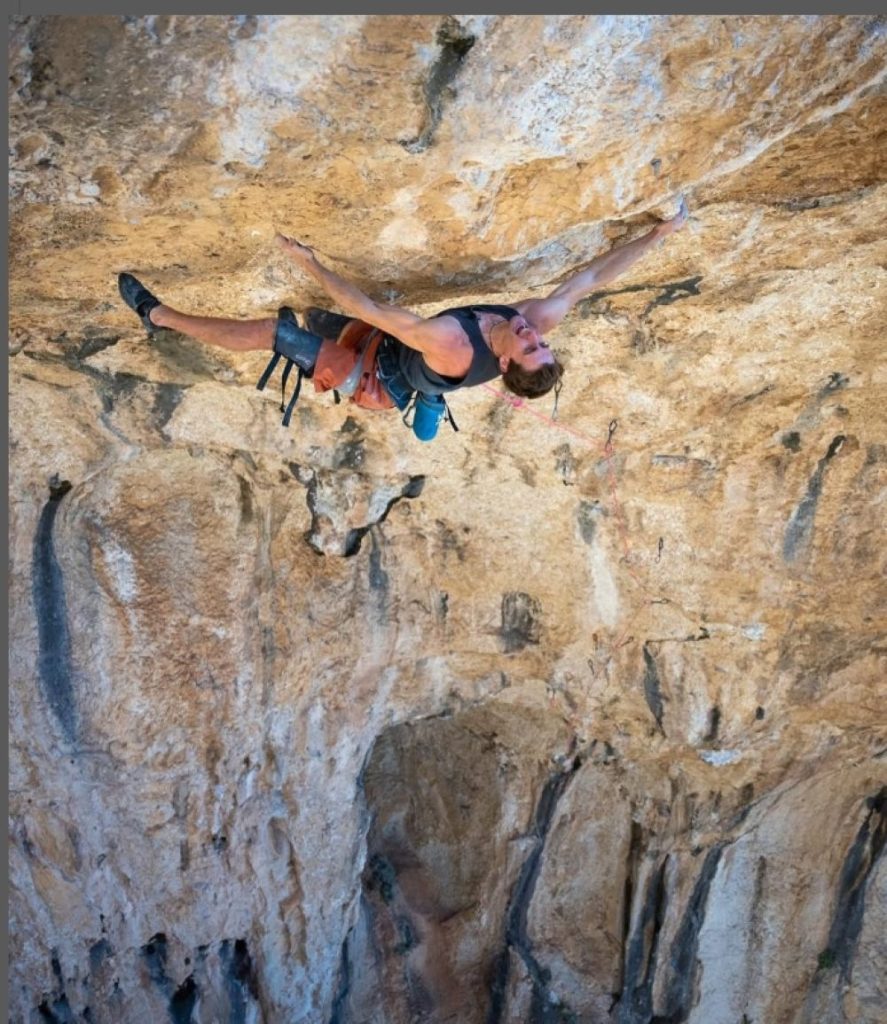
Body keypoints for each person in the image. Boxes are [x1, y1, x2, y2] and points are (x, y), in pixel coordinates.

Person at [118, 197, 689, 438]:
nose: (534, 333)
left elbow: (368, 308)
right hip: (396, 353)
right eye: (543, 340)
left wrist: (310, 262)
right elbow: (593, 278)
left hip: (378, 378)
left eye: (531, 345)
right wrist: (658, 234)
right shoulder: (529, 320)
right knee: (315, 320)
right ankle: (432, 400)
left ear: (508, 360)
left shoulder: (450, 343)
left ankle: (160, 315)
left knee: (278, 332)